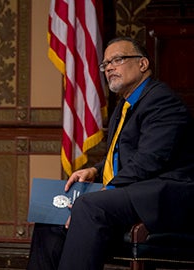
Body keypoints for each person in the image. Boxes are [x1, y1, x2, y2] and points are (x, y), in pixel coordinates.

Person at [27, 36, 194, 270]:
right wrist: (94, 170)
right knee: (51, 214)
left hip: (164, 193)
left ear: (143, 64)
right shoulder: (124, 107)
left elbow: (149, 159)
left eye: (118, 59)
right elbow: (124, 153)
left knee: (88, 205)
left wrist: (110, 187)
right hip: (134, 188)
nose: (110, 68)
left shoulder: (162, 101)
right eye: (106, 64)